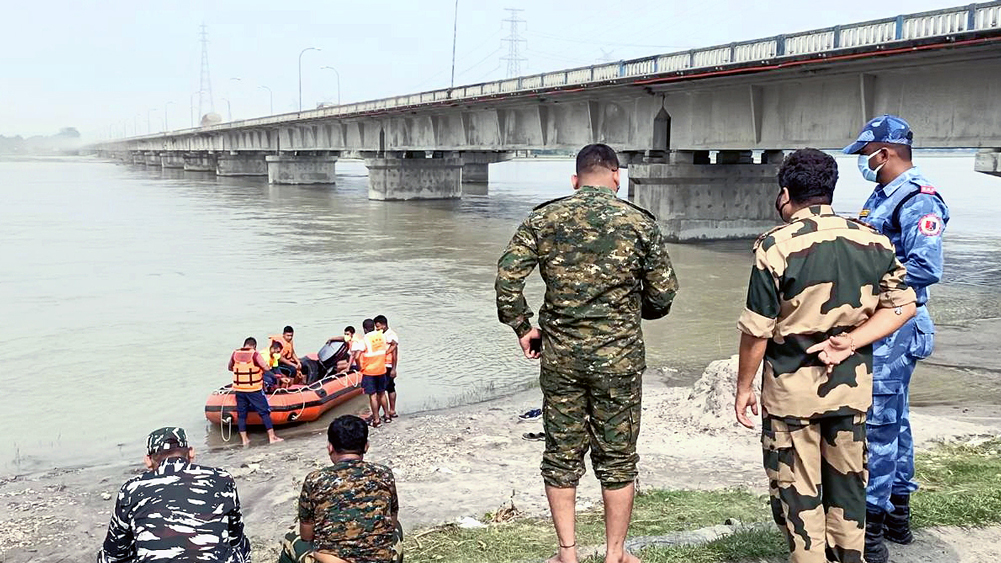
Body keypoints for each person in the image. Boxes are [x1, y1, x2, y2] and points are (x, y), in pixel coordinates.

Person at [495, 143, 679, 563]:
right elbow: (663, 295)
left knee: (561, 455)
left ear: (575, 180)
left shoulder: (544, 218)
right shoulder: (638, 223)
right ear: (618, 177)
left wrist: (524, 327)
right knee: (618, 457)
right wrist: (635, 312)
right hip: (619, 359)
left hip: (561, 358)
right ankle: (615, 554)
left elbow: (507, 278)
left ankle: (567, 554)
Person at [734, 148, 918, 563]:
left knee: (798, 492)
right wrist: (850, 342)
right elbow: (903, 306)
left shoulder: (774, 246)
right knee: (849, 488)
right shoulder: (872, 240)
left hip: (791, 396)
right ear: (830, 189)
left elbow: (757, 330)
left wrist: (744, 387)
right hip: (850, 391)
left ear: (786, 193)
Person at [843, 115, 950, 563]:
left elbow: (926, 269)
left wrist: (869, 274)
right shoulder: (884, 194)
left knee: (881, 428)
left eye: (866, 155)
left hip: (897, 325)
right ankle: (899, 518)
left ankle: (871, 533)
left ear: (884, 153)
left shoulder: (918, 199)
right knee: (897, 421)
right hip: (888, 324)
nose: (863, 163)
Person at [97, 427, 251, 563]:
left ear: (148, 461)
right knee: (241, 545)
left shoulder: (131, 489)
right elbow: (235, 537)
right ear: (191, 453)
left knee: (107, 556)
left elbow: (114, 553)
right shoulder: (221, 479)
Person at [279, 415, 402, 563]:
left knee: (291, 538)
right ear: (366, 446)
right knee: (397, 528)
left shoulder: (315, 479)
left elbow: (306, 535)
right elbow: (392, 521)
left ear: (330, 447)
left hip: (330, 560)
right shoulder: (384, 473)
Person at [228, 337, 283, 446]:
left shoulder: (235, 354)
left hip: (239, 389)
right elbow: (266, 368)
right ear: (254, 346)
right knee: (264, 412)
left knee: (241, 415)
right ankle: (272, 437)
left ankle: (244, 440)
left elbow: (230, 367)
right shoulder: (255, 355)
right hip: (254, 389)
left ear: (244, 344)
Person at [355, 318, 392, 427]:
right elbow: (392, 345)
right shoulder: (382, 336)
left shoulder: (365, 339)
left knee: (373, 395)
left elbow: (357, 356)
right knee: (382, 393)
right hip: (381, 369)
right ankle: (387, 416)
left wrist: (359, 367)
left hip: (369, 371)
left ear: (365, 329)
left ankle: (376, 419)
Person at [374, 315, 400, 418]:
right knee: (388, 388)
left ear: (384, 325)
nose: (377, 329)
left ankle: (390, 411)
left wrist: (394, 368)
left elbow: (395, 353)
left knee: (386, 388)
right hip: (381, 364)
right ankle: (388, 411)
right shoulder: (381, 335)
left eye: (378, 326)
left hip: (388, 365)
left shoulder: (391, 336)